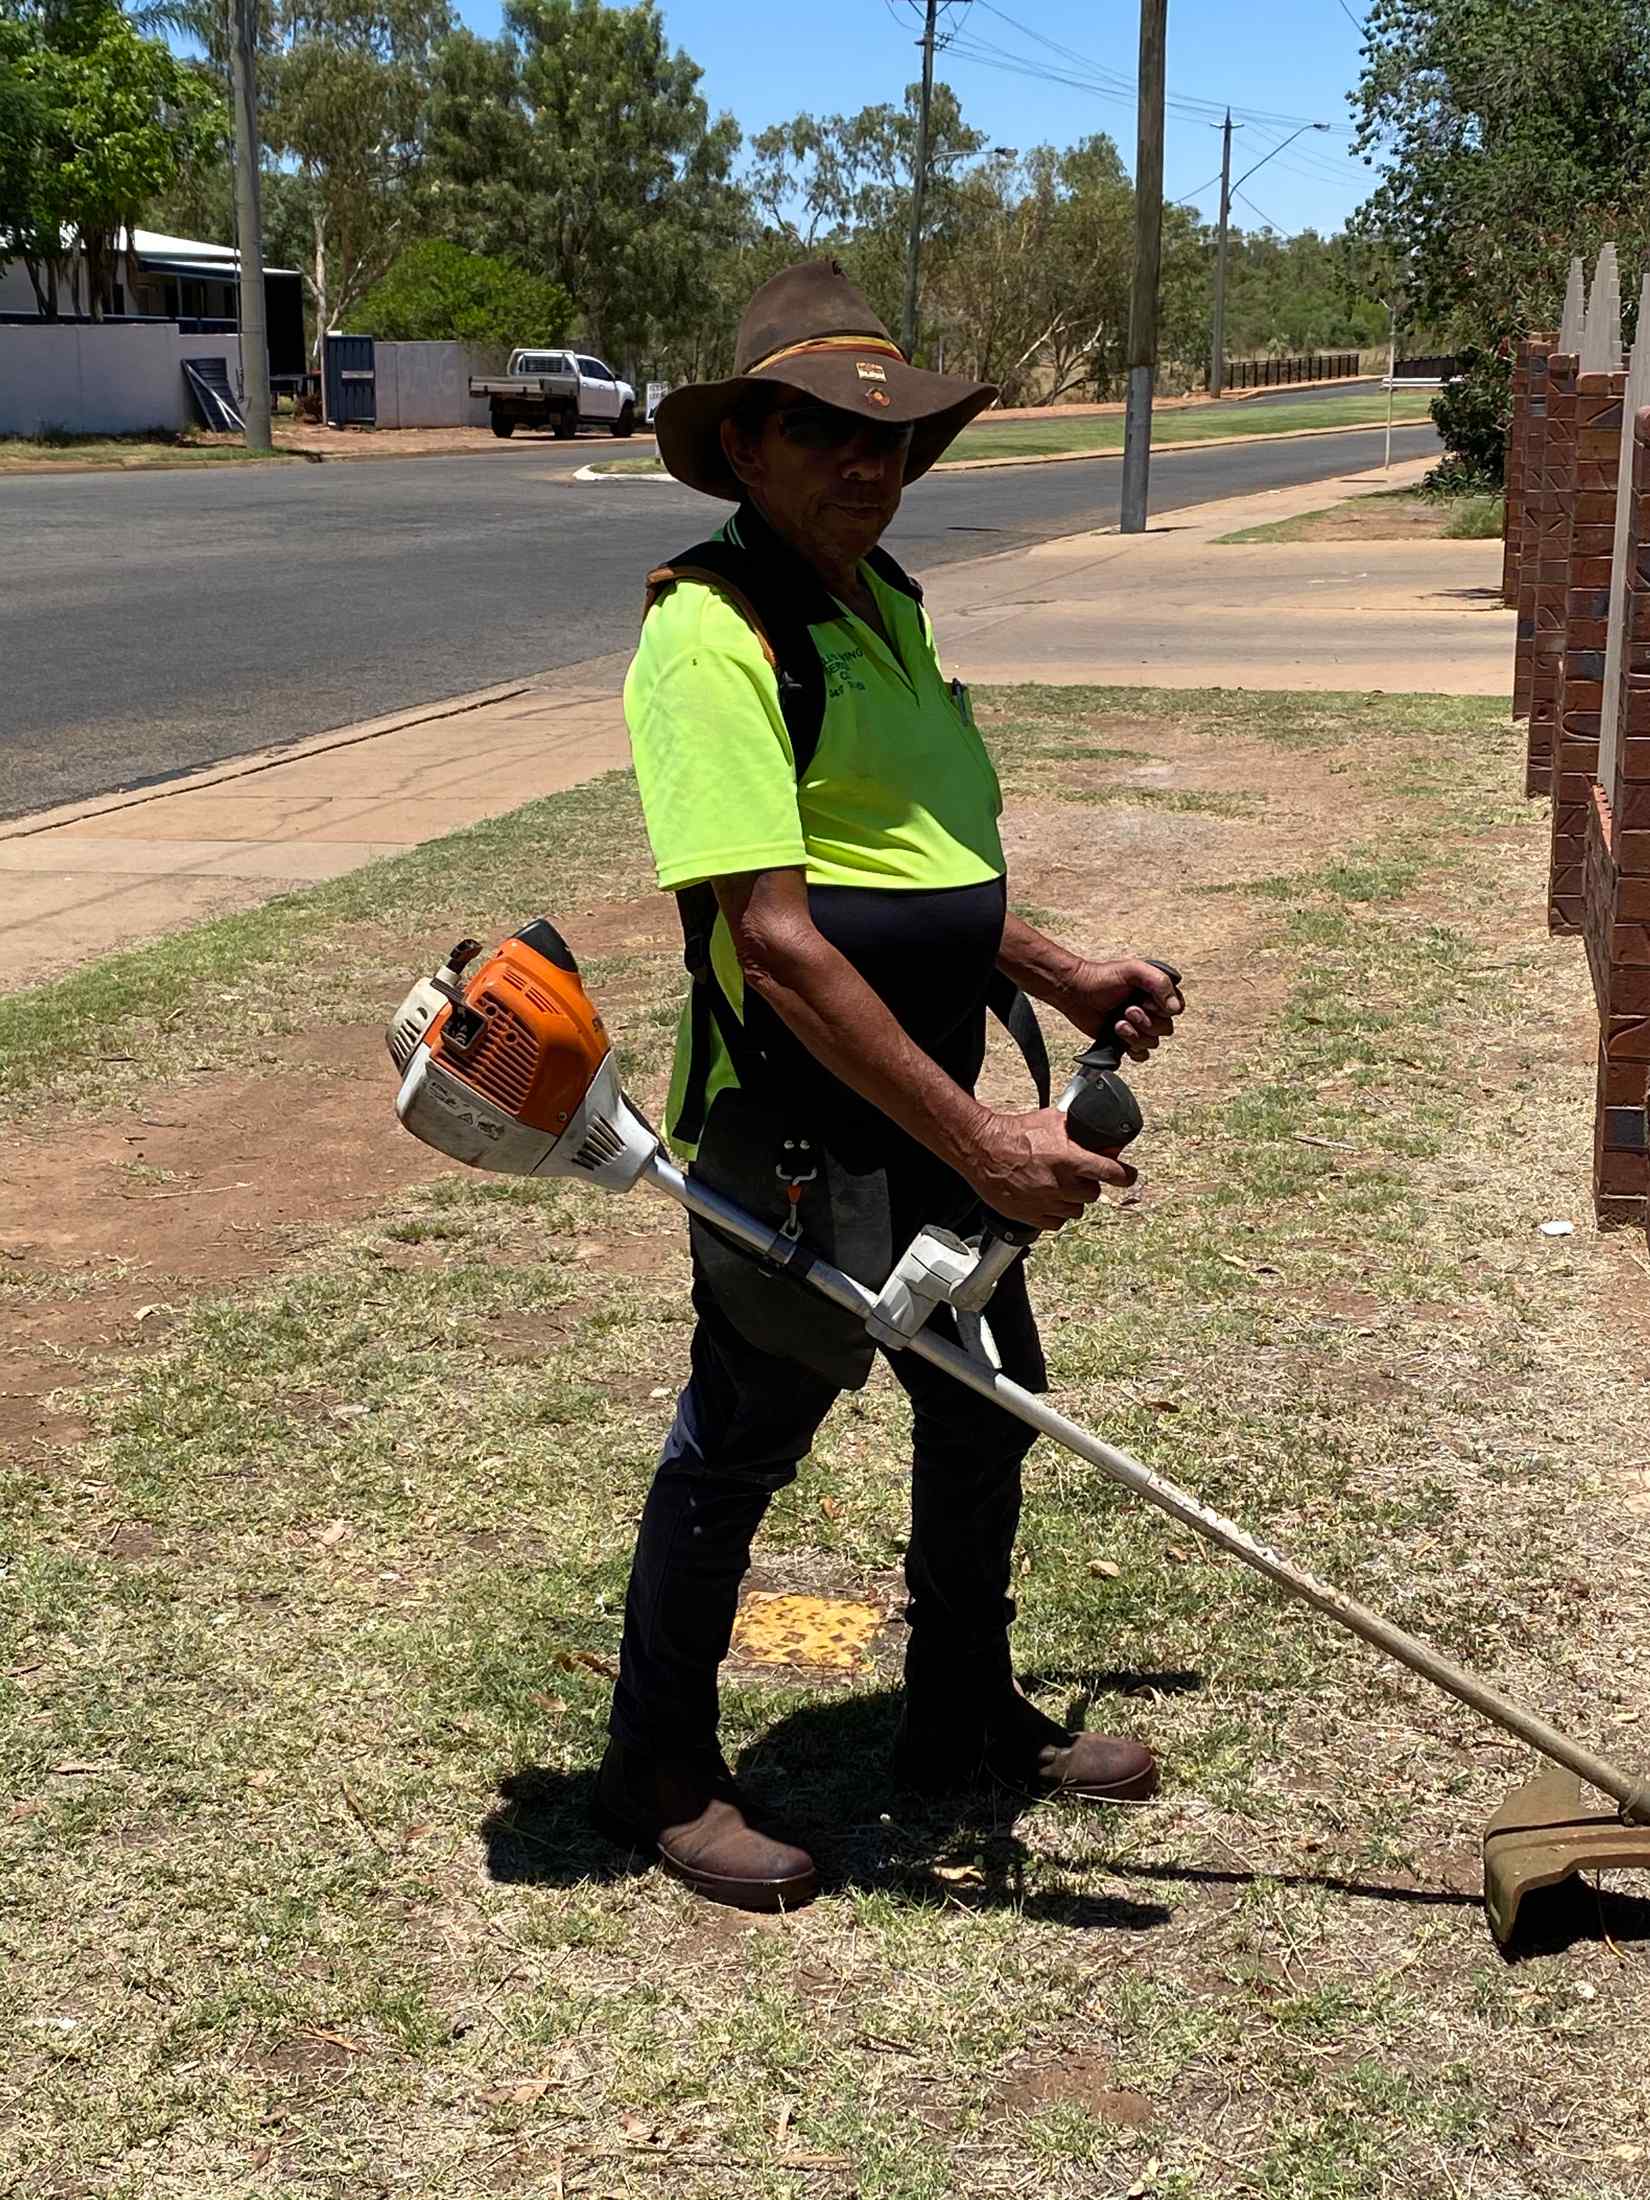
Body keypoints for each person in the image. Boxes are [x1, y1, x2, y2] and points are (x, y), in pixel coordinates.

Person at [595, 259, 1184, 1912]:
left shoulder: (885, 599)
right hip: (804, 1129)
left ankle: (959, 1718)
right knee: (743, 1442)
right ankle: (651, 1764)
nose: (872, 466)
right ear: (751, 446)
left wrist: (1047, 967)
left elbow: (907, 867)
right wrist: (988, 1138)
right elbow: (779, 944)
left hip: (930, 1096)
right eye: (830, 435)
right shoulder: (708, 635)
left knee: (984, 1408)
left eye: (897, 438)